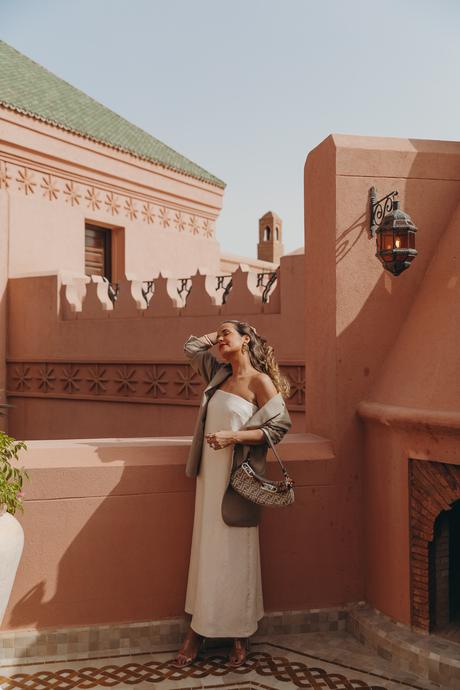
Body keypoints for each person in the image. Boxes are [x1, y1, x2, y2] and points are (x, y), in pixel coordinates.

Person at [172, 320, 292, 668]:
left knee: (237, 554)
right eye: (219, 333)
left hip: (239, 479)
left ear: (246, 339)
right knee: (206, 551)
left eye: (228, 332)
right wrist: (216, 336)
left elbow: (280, 424)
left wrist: (233, 437)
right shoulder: (217, 373)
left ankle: (240, 637)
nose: (220, 338)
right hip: (209, 477)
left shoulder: (259, 382)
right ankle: (197, 631)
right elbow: (190, 349)